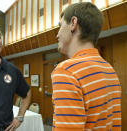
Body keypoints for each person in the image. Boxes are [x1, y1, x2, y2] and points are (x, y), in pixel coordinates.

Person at [51, 2, 121, 131]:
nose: (57, 34)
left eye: (60, 26)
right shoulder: (110, 71)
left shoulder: (66, 71)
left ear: (73, 23)